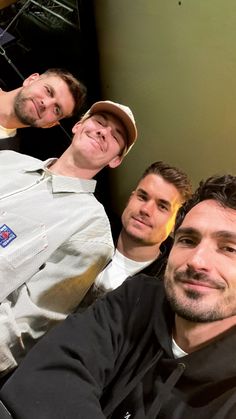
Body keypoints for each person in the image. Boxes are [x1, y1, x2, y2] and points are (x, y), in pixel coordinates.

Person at [1, 174, 236, 418]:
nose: (197, 261)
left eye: (229, 248)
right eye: (188, 240)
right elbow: (46, 374)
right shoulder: (136, 298)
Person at [0, 99, 137, 381]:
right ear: (78, 125)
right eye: (99, 122)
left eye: (116, 136)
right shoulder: (8, 161)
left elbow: (25, 325)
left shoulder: (92, 231)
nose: (103, 132)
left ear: (115, 160)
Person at [81, 161, 192, 306]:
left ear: (175, 224)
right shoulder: (86, 228)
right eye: (142, 197)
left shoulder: (166, 292)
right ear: (130, 199)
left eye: (162, 206)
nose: (146, 209)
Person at [0, 68, 87, 149]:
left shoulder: (8, 158)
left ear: (50, 124)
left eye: (56, 110)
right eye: (48, 91)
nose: (46, 103)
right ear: (31, 80)